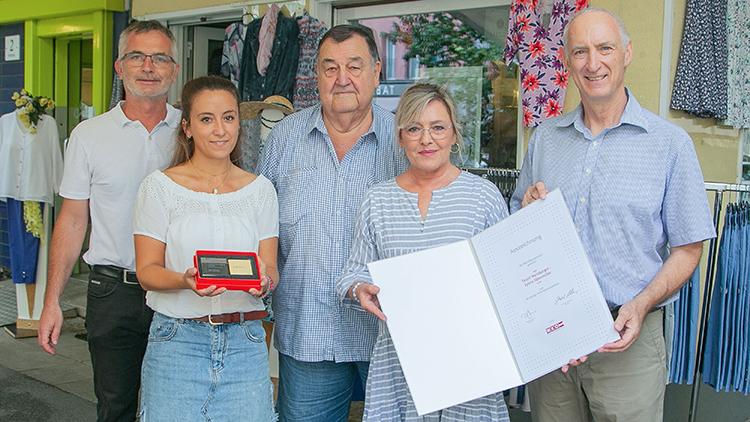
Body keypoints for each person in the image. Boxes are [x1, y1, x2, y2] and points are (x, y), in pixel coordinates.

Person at [509, 7, 715, 422]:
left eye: (605, 48)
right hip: (554, 338)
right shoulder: (546, 139)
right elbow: (517, 222)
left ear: (627, 53)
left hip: (627, 339)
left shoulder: (670, 144)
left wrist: (640, 305)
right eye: (580, 51)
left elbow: (690, 248)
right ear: (566, 61)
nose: (593, 62)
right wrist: (526, 212)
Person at [256, 24, 408, 421]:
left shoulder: (408, 141)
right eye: (330, 68)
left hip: (390, 333)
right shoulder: (284, 138)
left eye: (354, 67)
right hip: (309, 332)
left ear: (376, 73)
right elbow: (259, 226)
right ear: (317, 77)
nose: (342, 79)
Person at [336, 82, 511, 421]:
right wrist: (360, 289)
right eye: (414, 129)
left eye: (438, 127)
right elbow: (354, 271)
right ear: (400, 140)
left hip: (469, 363)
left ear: (454, 135)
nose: (426, 139)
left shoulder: (484, 197)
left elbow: (506, 281)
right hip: (400, 364)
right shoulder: (378, 200)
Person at [37, 20, 180, 422]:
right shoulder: (88, 135)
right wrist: (52, 303)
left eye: (160, 57)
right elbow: (71, 221)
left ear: (174, 69)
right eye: (137, 56)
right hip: (112, 291)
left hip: (178, 290)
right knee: (114, 408)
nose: (148, 66)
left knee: (175, 408)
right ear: (119, 66)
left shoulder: (194, 132)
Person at [132, 75, 277, 421]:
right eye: (206, 119)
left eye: (228, 118)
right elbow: (146, 271)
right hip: (177, 342)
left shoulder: (260, 190)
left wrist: (265, 284)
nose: (220, 130)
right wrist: (185, 281)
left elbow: (269, 268)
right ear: (187, 127)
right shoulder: (159, 188)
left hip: (246, 343)